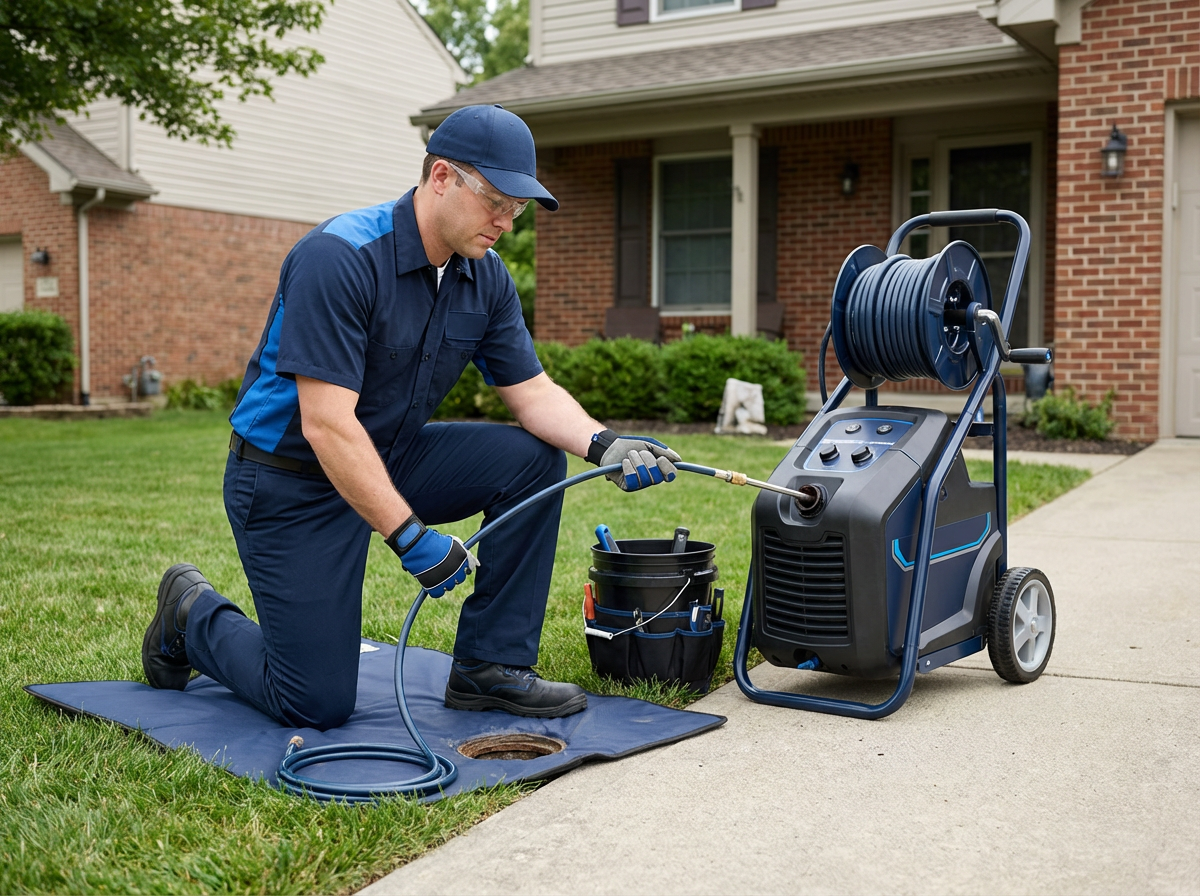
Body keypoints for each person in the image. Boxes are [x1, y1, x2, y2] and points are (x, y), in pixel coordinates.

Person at [140, 104, 682, 729]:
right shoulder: (339, 257)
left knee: (533, 461)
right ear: (442, 177)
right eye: (498, 201)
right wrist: (410, 536)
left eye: (519, 208)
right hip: (290, 480)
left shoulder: (484, 276)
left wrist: (606, 445)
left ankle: (491, 668)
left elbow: (531, 392)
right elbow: (325, 424)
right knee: (312, 702)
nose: (507, 222)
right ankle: (191, 611)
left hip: (390, 453)